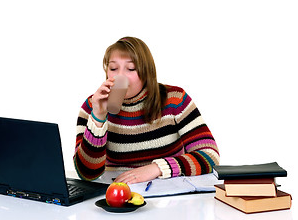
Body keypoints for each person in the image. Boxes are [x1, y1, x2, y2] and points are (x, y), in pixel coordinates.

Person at [73, 37, 219, 184]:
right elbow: (86, 174)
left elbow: (210, 156)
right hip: (117, 192)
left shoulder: (174, 99)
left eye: (131, 68)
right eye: (113, 68)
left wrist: (157, 168)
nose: (120, 75)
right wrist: (98, 117)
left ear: (146, 72)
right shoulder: (92, 106)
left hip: (169, 194)